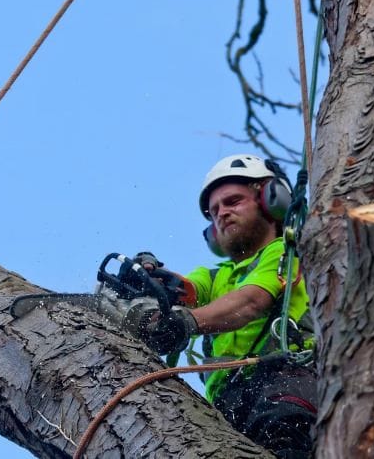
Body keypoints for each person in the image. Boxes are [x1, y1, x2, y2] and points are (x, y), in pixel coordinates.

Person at [126, 154, 317, 457]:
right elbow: (185, 290)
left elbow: (252, 300)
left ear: (270, 200)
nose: (222, 214)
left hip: (284, 383)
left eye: (232, 202)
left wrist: (187, 322)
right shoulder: (215, 276)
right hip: (227, 406)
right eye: (214, 210)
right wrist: (150, 284)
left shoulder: (289, 252)